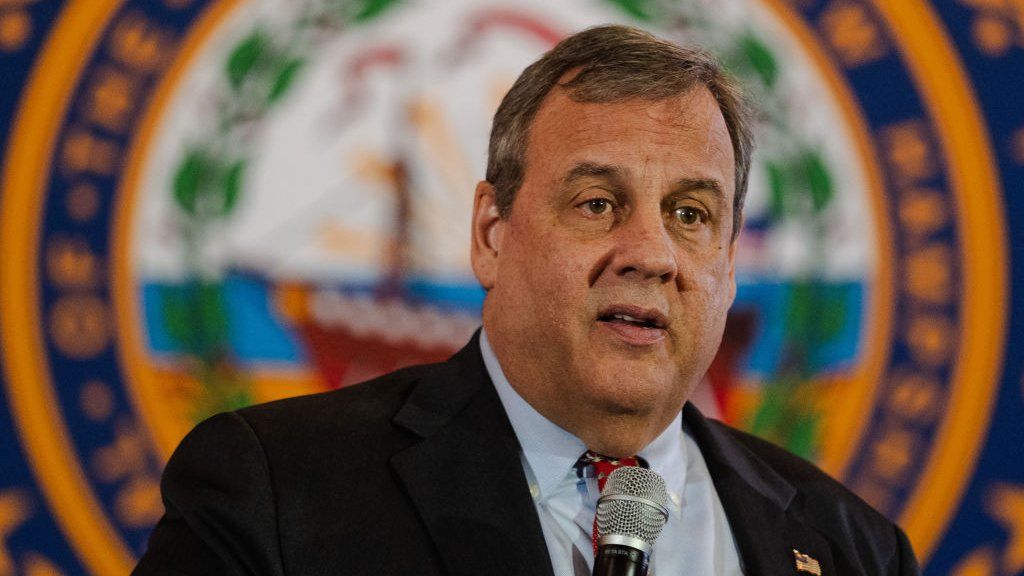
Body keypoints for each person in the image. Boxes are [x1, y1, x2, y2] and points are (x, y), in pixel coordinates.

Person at [134, 25, 919, 575]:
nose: (650, 254)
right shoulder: (274, 491)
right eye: (597, 203)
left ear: (728, 265)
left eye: (691, 215)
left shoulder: (852, 547)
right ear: (491, 233)